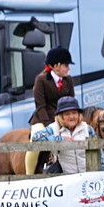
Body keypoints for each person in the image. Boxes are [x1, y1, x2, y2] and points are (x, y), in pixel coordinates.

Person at [25, 47, 76, 175]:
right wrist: (52, 126)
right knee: (34, 145)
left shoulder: (68, 80)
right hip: (42, 119)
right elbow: (40, 106)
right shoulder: (41, 80)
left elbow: (72, 104)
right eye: (66, 65)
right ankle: (28, 174)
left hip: (62, 120)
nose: (68, 68)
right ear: (56, 65)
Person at [31, 95, 94, 175]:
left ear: (78, 114)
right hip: (66, 179)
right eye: (67, 114)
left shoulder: (88, 129)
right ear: (61, 116)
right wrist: (60, 139)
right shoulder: (54, 128)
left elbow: (99, 155)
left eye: (74, 113)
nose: (71, 117)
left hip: (87, 177)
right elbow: (35, 138)